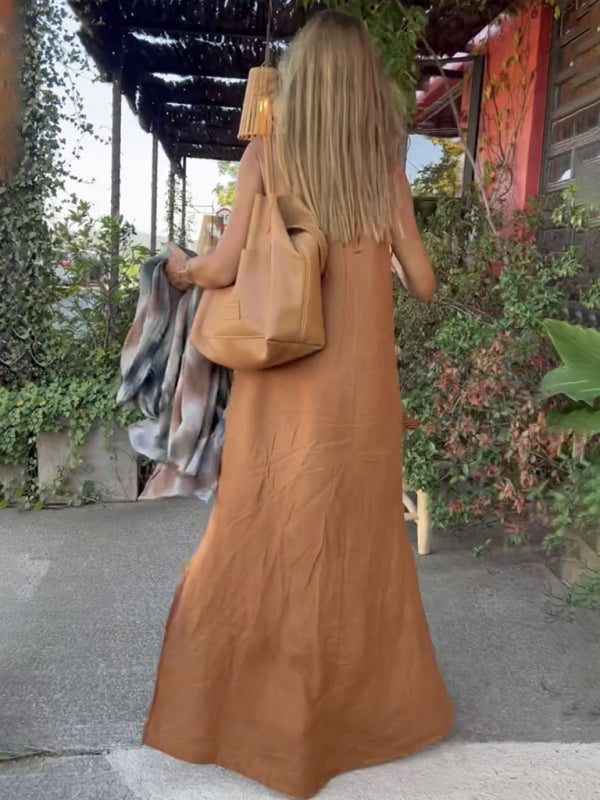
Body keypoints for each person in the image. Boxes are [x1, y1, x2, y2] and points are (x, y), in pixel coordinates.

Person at [142, 10, 453, 798]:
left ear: (302, 78)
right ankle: (364, 725)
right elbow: (424, 282)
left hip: (278, 391)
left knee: (258, 538)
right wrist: (379, 253)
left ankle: (242, 720)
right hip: (361, 404)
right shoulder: (382, 166)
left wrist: (179, 269)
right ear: (364, 84)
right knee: (356, 550)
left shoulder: (266, 154)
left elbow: (221, 269)